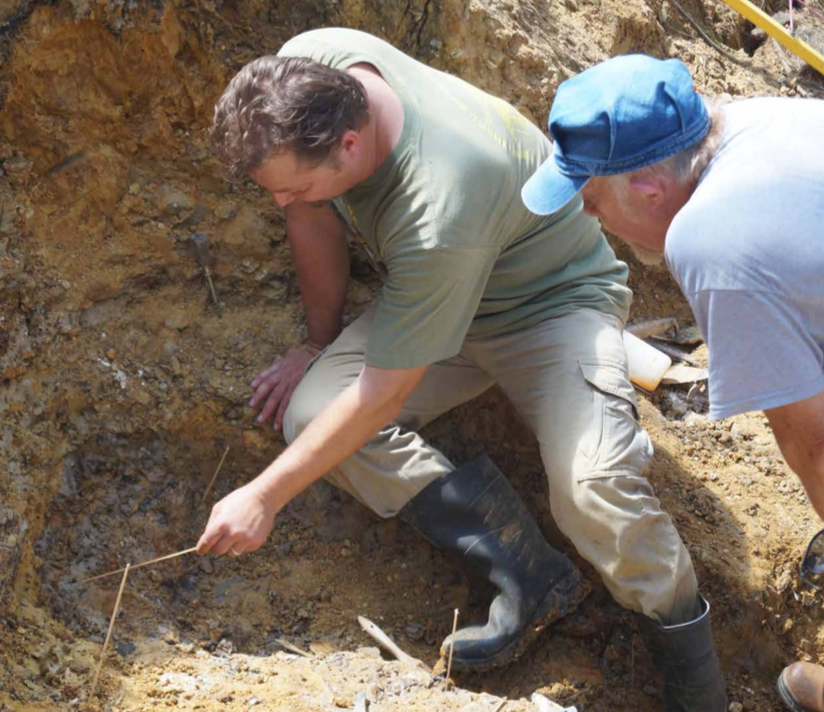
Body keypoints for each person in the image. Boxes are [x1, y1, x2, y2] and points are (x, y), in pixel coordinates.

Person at [202, 28, 723, 707]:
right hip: (438, 302)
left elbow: (381, 396)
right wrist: (316, 344)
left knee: (594, 487)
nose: (281, 201)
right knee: (311, 411)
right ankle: (526, 574)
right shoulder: (309, 71)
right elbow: (311, 214)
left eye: (293, 187)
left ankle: (691, 663)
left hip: (548, 304)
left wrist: (263, 497)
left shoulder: (438, 199)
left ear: (350, 146)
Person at [521, 52, 823, 712]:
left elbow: (817, 450)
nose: (591, 217)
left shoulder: (712, 241)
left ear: (650, 190)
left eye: (592, 199)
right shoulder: (759, 120)